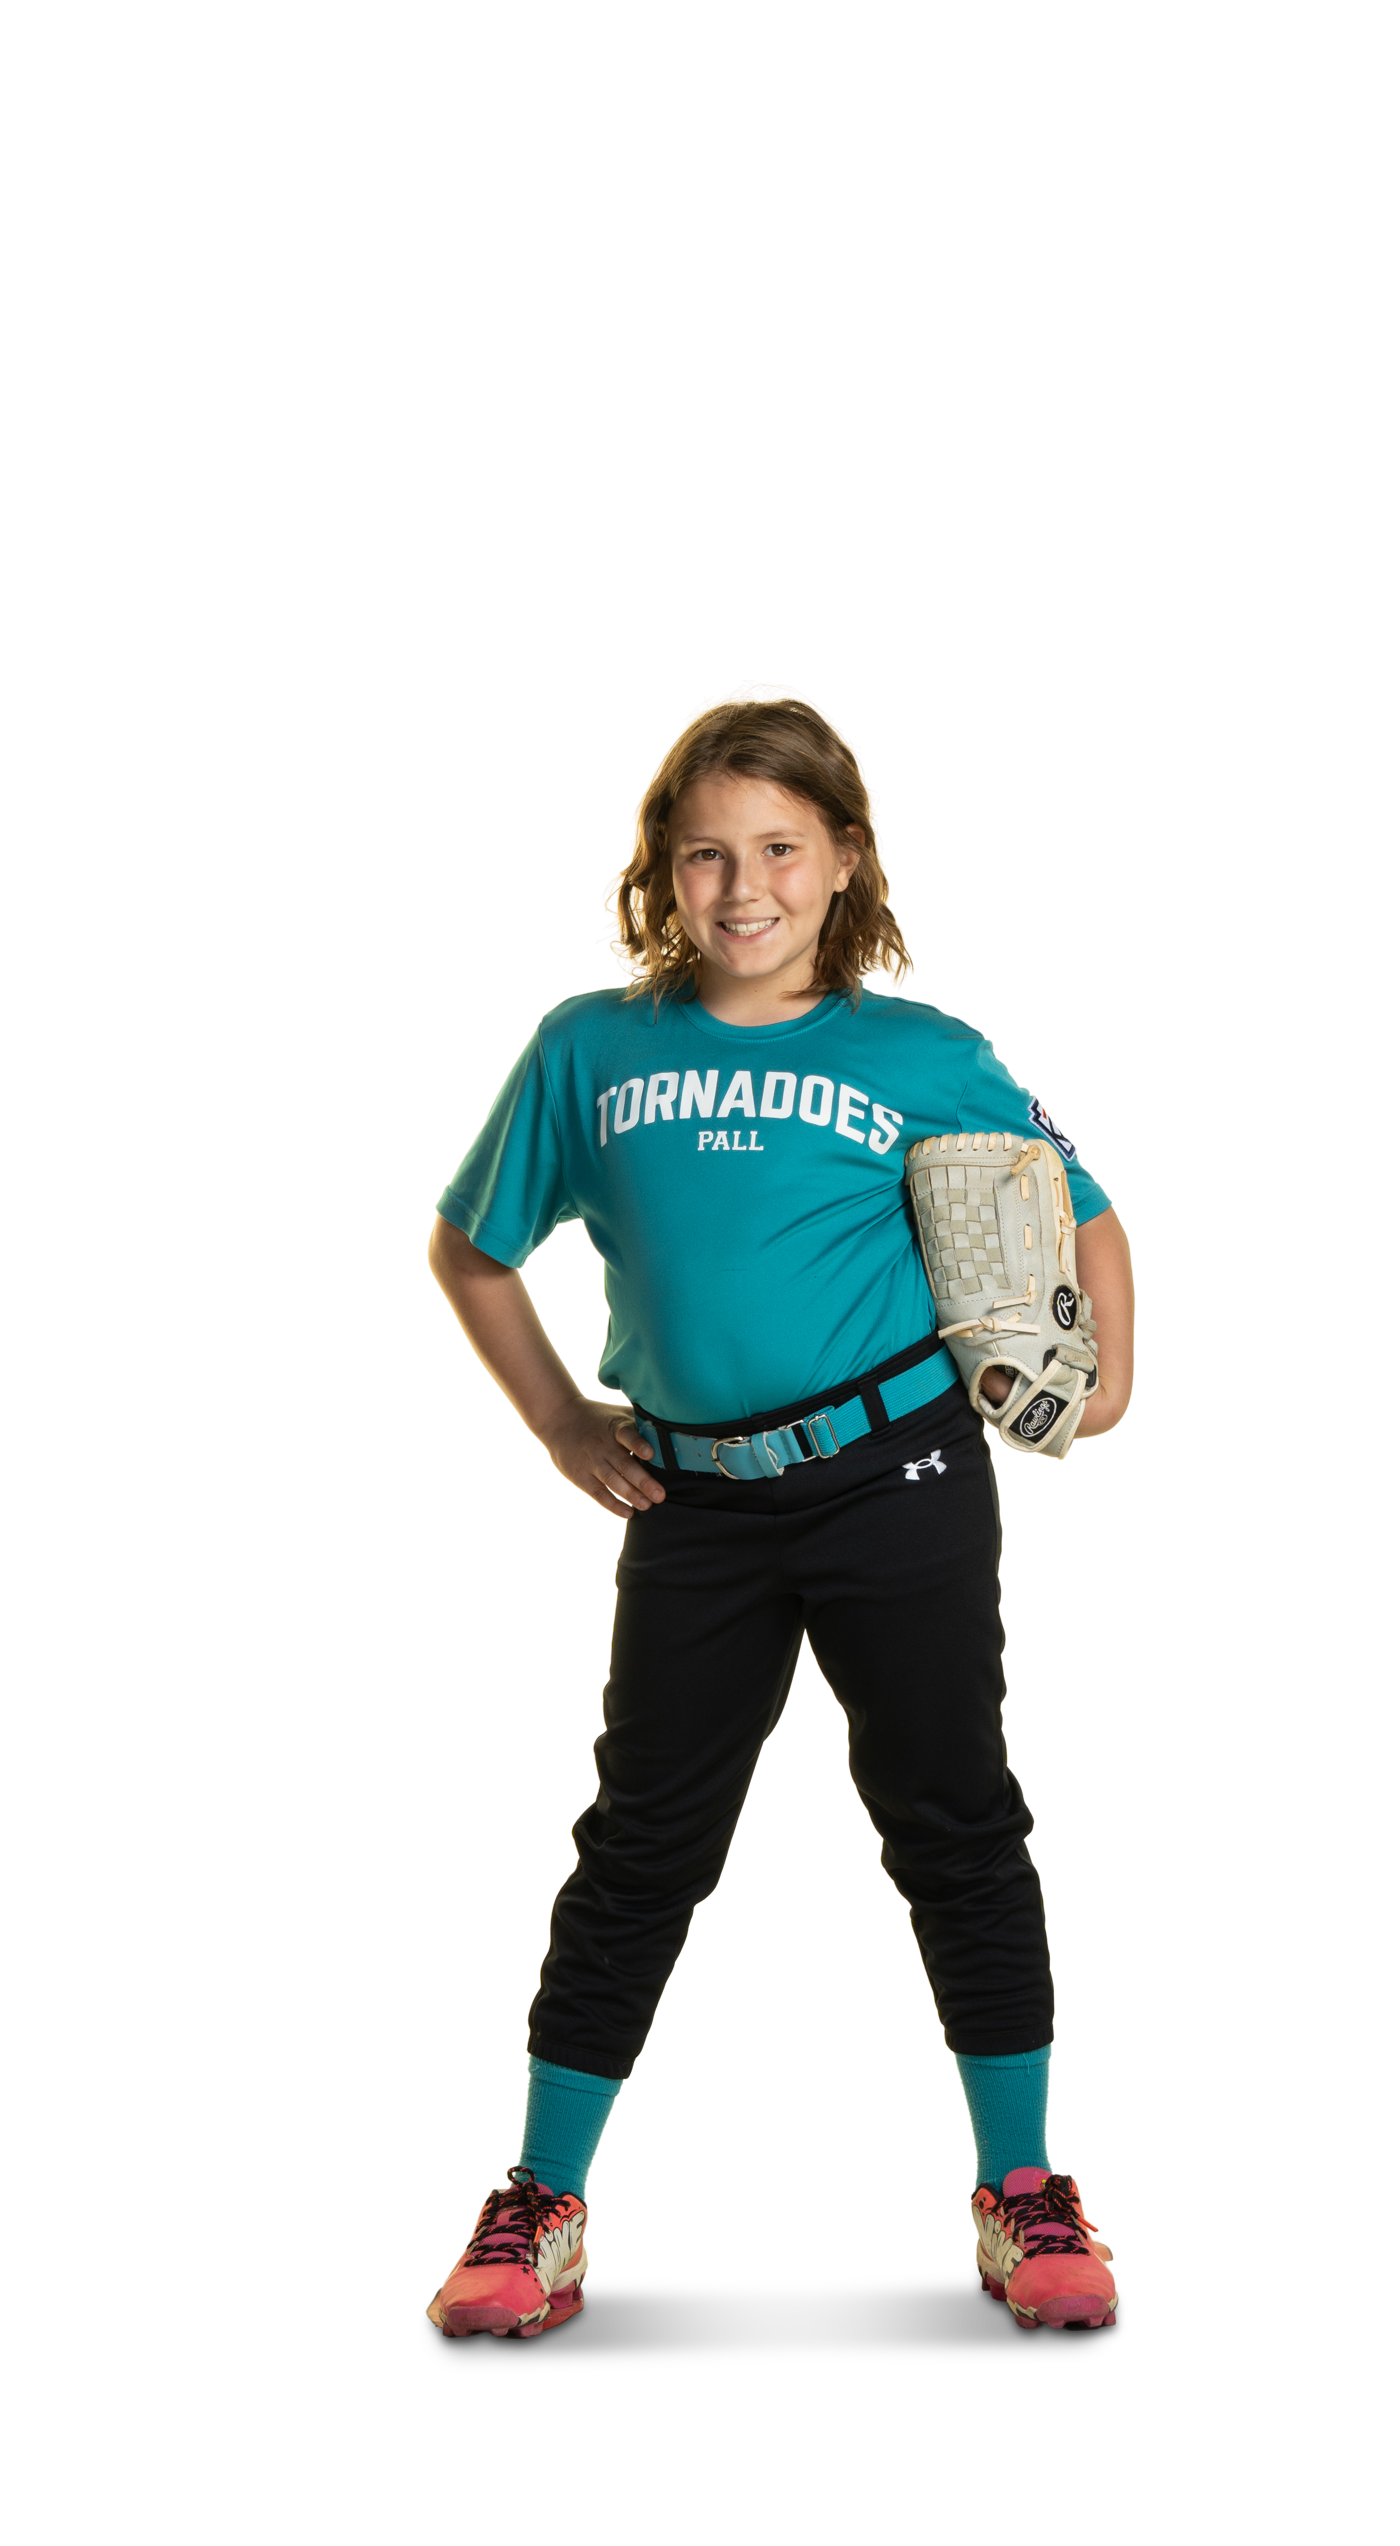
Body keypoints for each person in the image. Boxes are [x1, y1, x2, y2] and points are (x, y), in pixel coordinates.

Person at [422, 683, 1135, 2341]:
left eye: (781, 849)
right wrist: (559, 1421)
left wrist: (1108, 1387)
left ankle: (1024, 2183)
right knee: (641, 1837)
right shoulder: (586, 1046)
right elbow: (469, 1247)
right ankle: (543, 2199)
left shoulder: (923, 1052)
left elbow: (1089, 1212)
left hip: (900, 1475)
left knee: (954, 1812)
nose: (743, 887)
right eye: (704, 853)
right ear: (659, 869)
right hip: (694, 1502)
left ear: (846, 860)